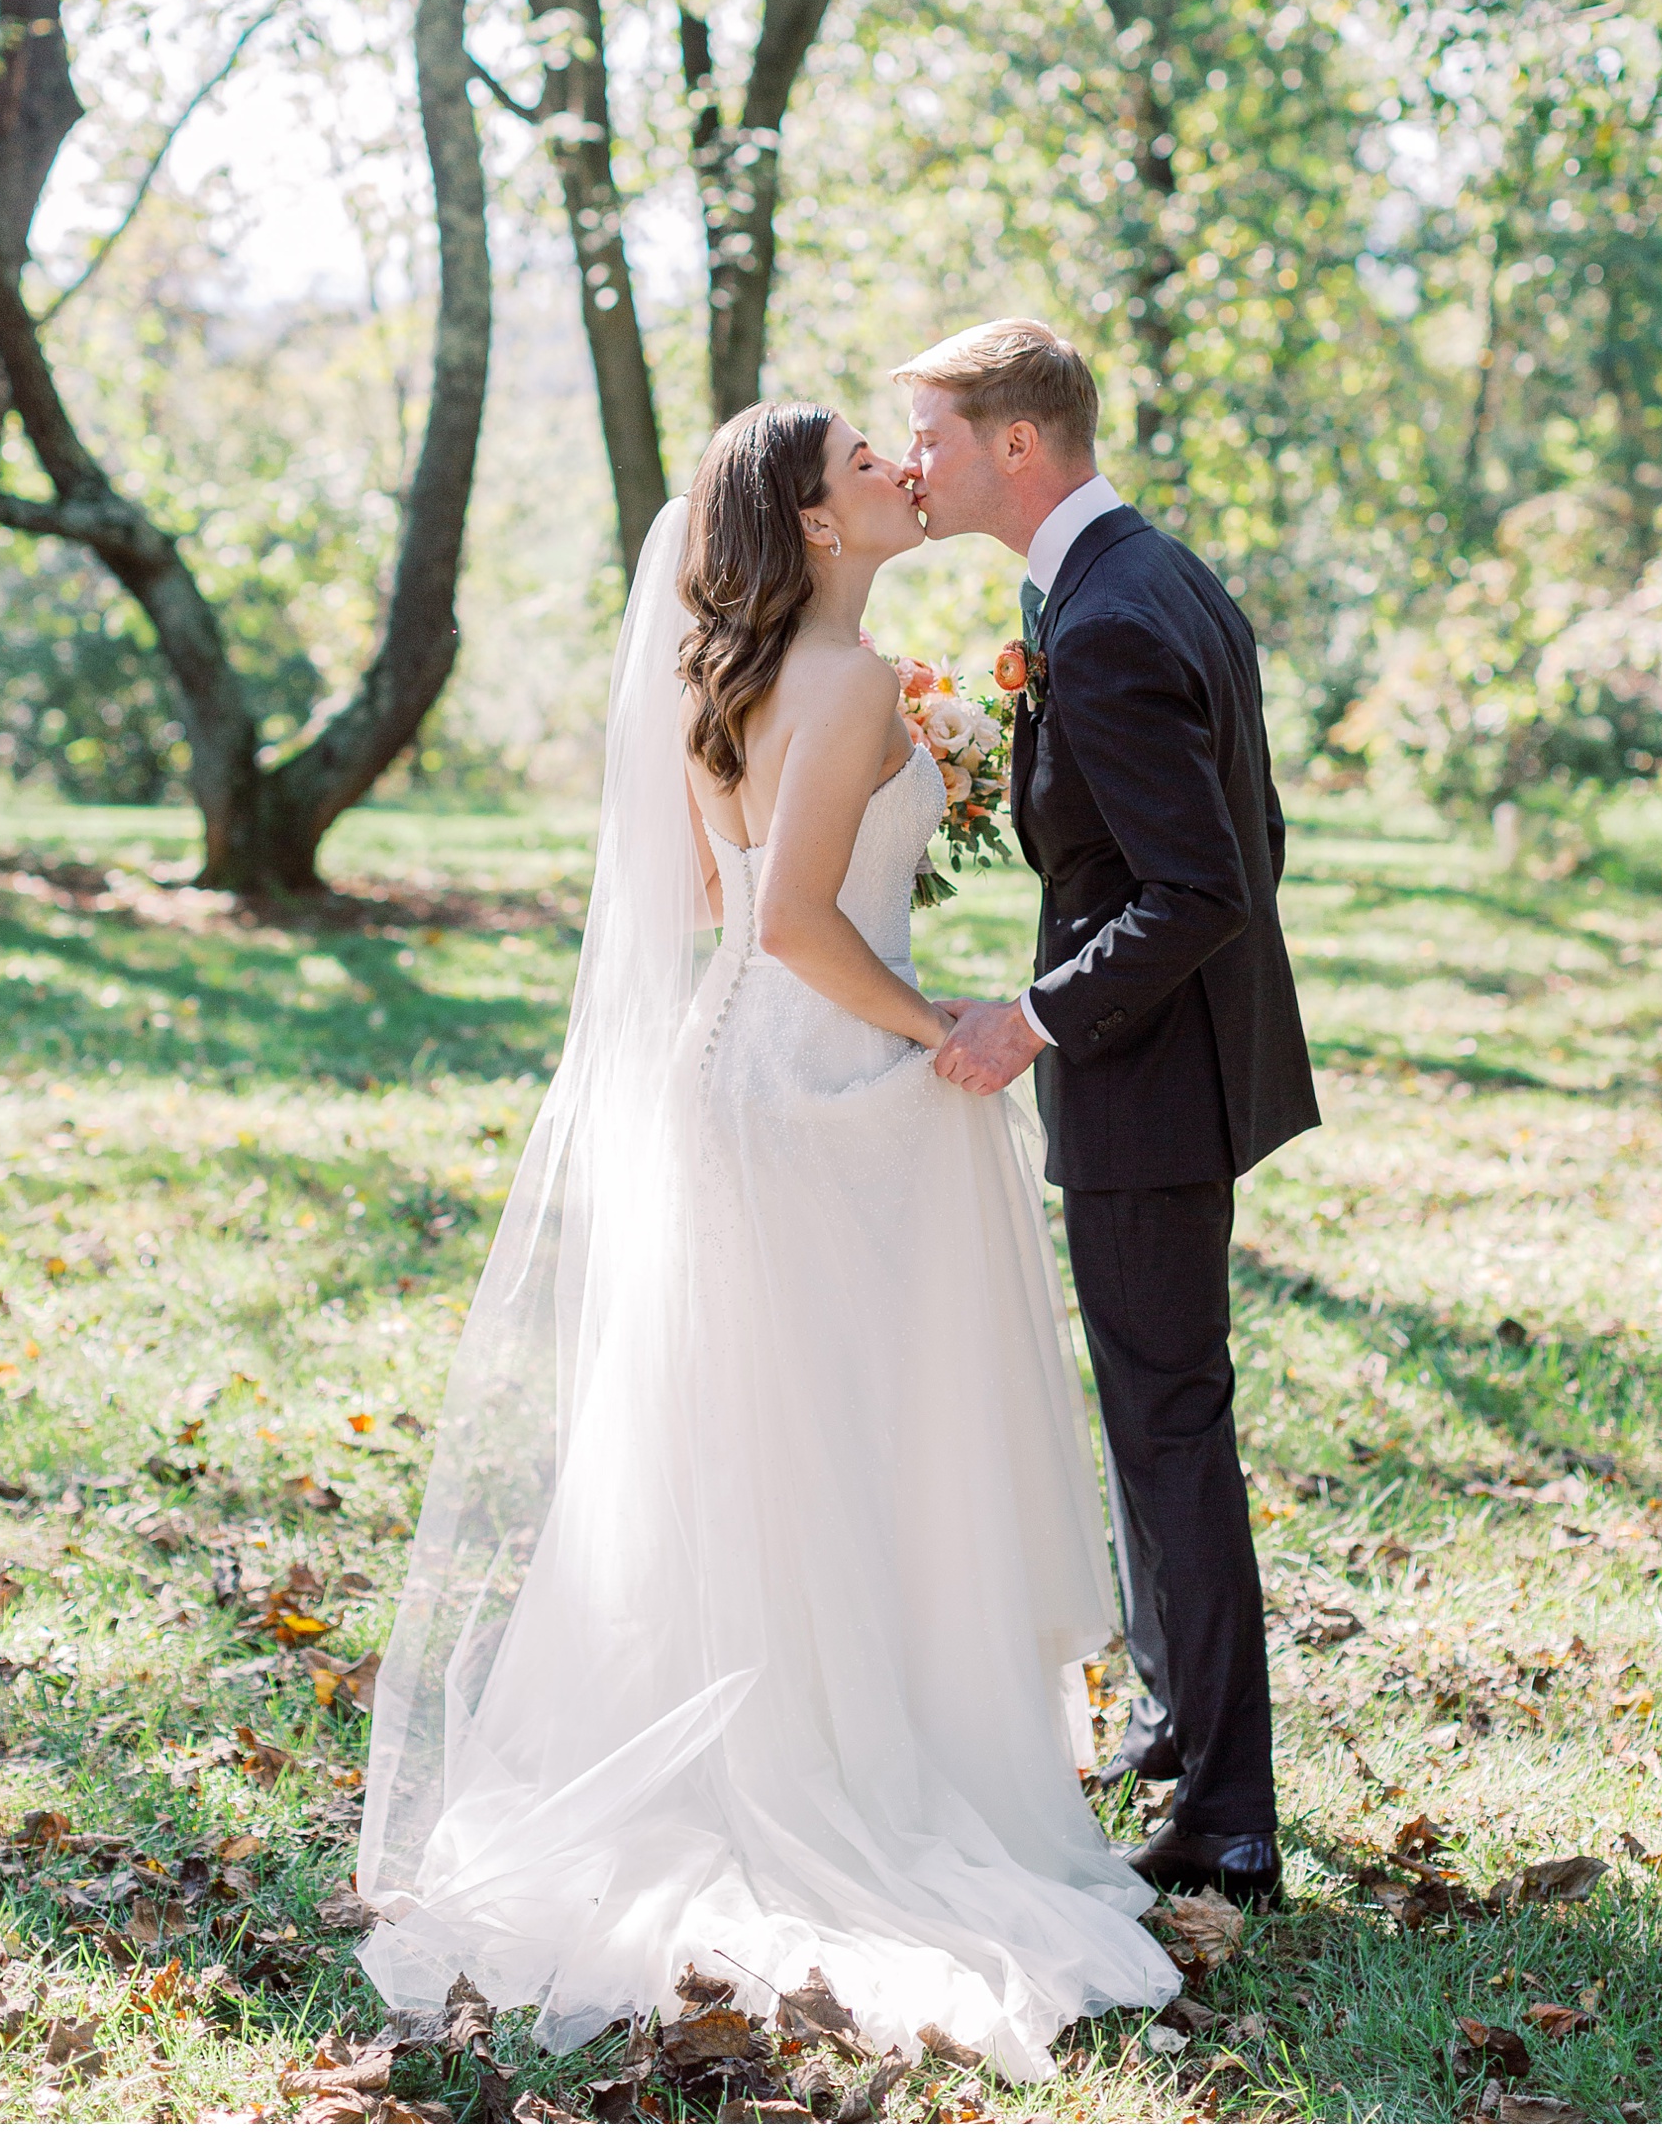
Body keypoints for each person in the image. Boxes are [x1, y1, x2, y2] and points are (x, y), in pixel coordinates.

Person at [355, 402, 1179, 2077]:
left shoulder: (727, 682)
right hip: (822, 1087)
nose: (901, 467)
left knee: (762, 1444)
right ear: (812, 523)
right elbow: (801, 923)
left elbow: (729, 912)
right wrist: (938, 1023)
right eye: (866, 464)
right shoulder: (857, 684)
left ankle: (793, 1740)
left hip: (724, 1072)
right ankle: (856, 1777)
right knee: (851, 1439)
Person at [898, 320, 1319, 1907]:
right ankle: (1177, 1723)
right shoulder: (1146, 575)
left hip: (1148, 1080)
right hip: (1174, 1066)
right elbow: (1252, 833)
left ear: (1020, 443)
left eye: (932, 435)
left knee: (1167, 1430)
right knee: (1160, 1419)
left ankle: (1227, 1815)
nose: (915, 464)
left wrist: (1038, 1018)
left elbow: (1206, 881)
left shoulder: (1121, 613)